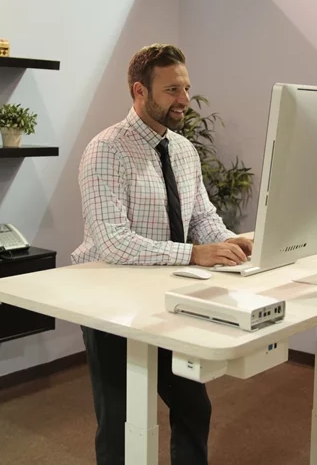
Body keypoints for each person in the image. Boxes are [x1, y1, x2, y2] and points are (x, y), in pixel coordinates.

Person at [71, 43, 253, 465]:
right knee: (119, 422)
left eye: (186, 88)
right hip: (110, 304)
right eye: (172, 90)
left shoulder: (184, 150)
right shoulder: (106, 149)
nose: (185, 99)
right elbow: (114, 243)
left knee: (193, 407)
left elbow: (202, 218)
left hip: (167, 299)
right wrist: (195, 254)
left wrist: (231, 244)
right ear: (140, 91)